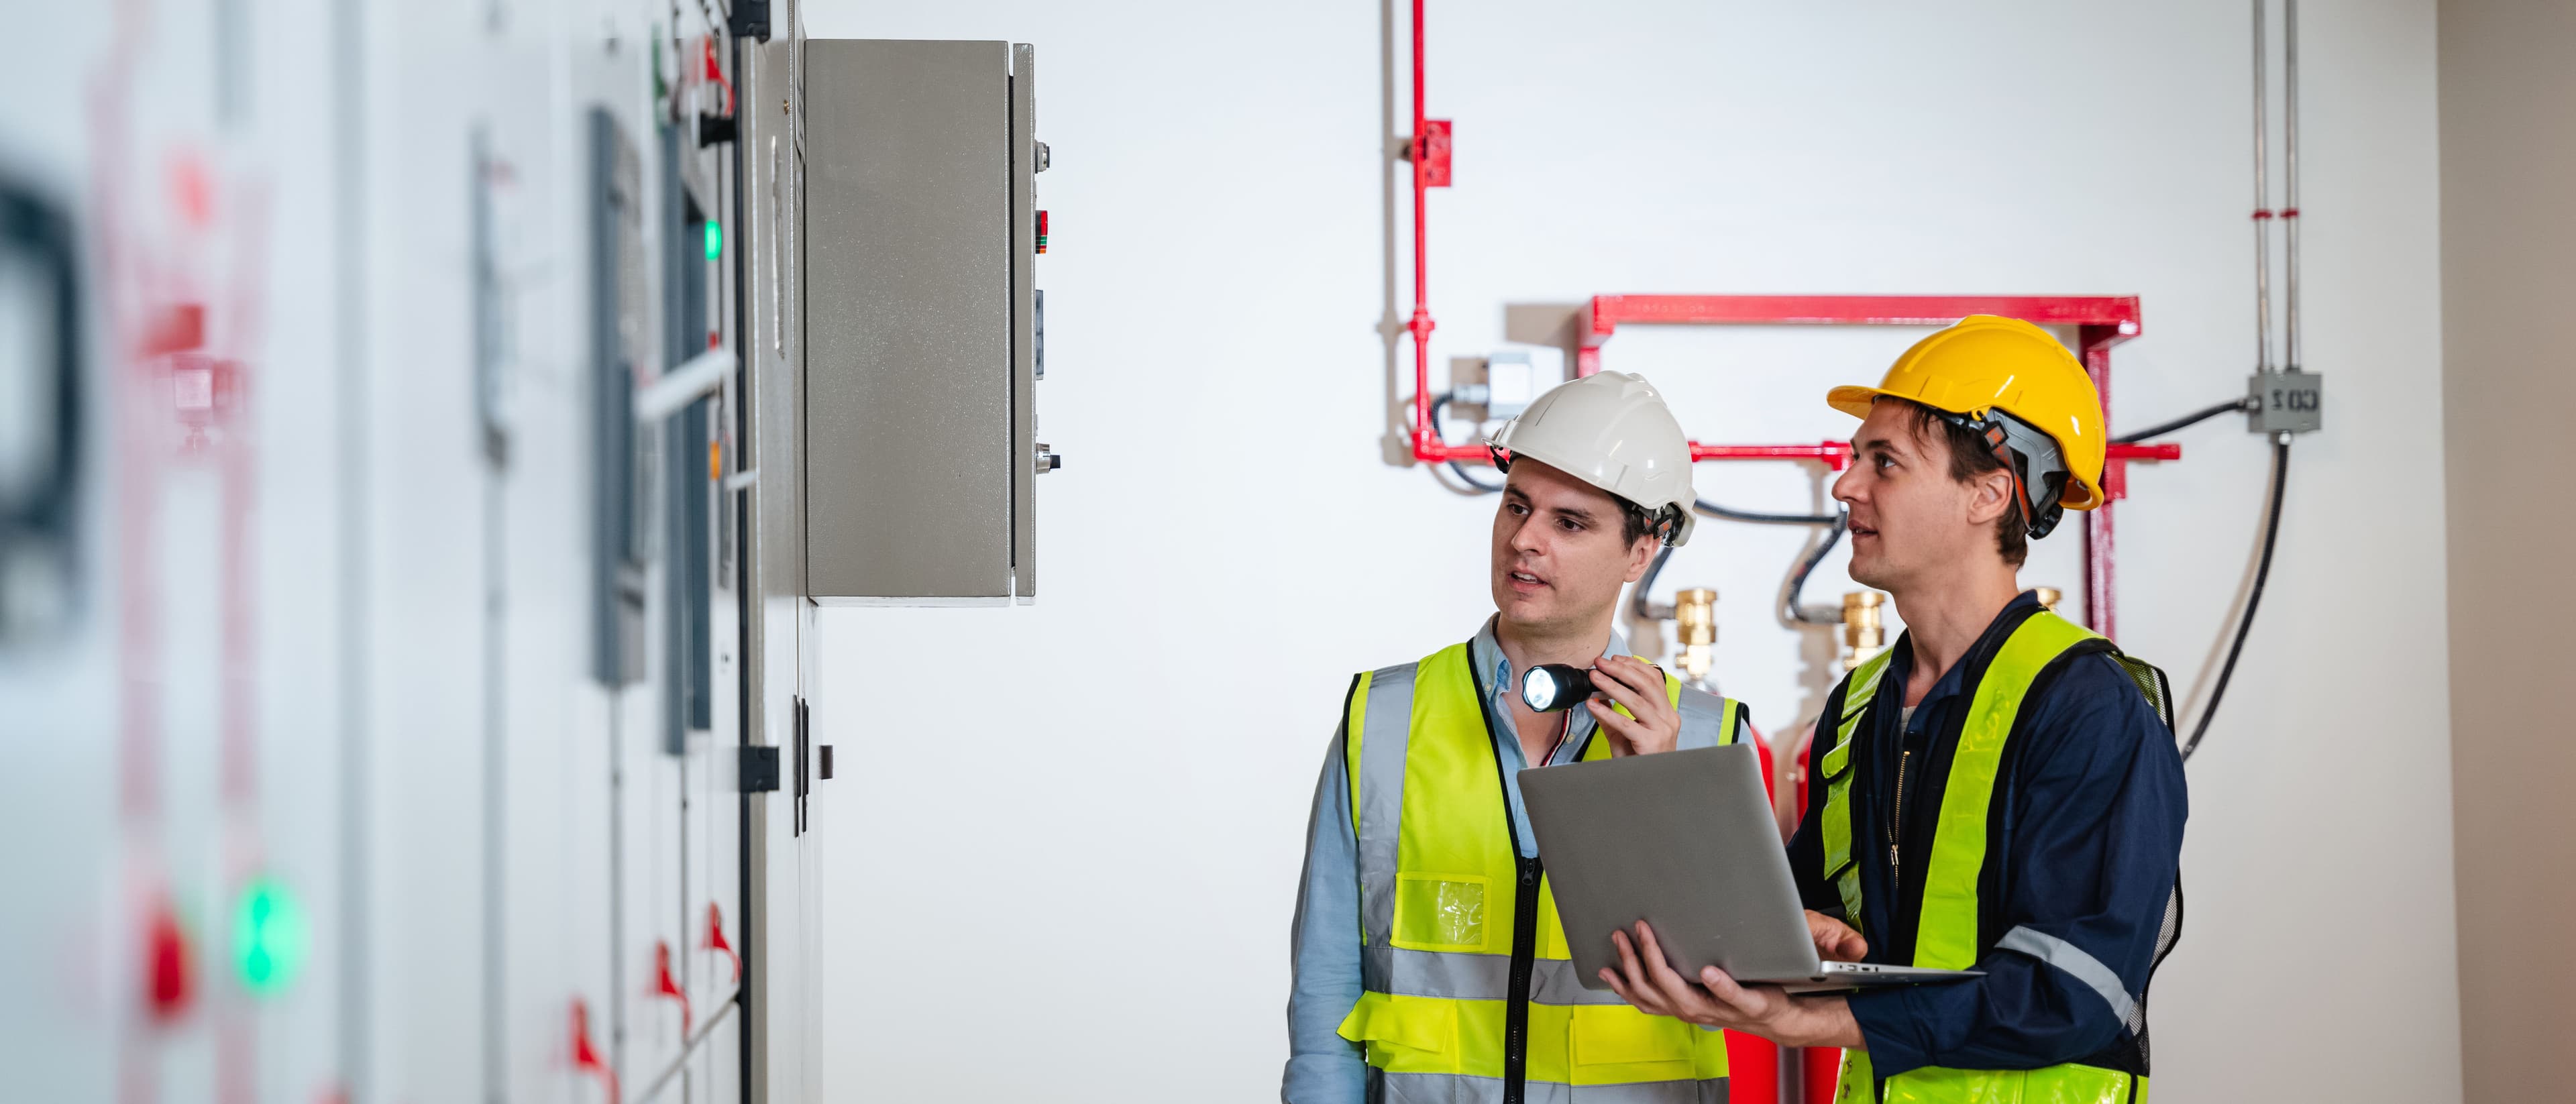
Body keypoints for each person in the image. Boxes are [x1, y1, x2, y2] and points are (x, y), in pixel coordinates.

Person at [1595, 315, 2188, 1102]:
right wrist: (1683, 814)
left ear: (1988, 493)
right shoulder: (1861, 704)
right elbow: (1806, 911)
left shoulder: (2089, 707)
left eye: (1885, 462)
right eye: (1854, 459)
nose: (1846, 486)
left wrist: (1822, 1021)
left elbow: (2076, 990)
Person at [1285, 372, 1756, 1103]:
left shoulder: (1709, 741)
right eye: (1517, 506)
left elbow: (1737, 984)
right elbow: (1325, 991)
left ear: (1643, 550)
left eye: (1571, 522)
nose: (1525, 539)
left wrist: (1654, 791)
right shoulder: (1383, 717)